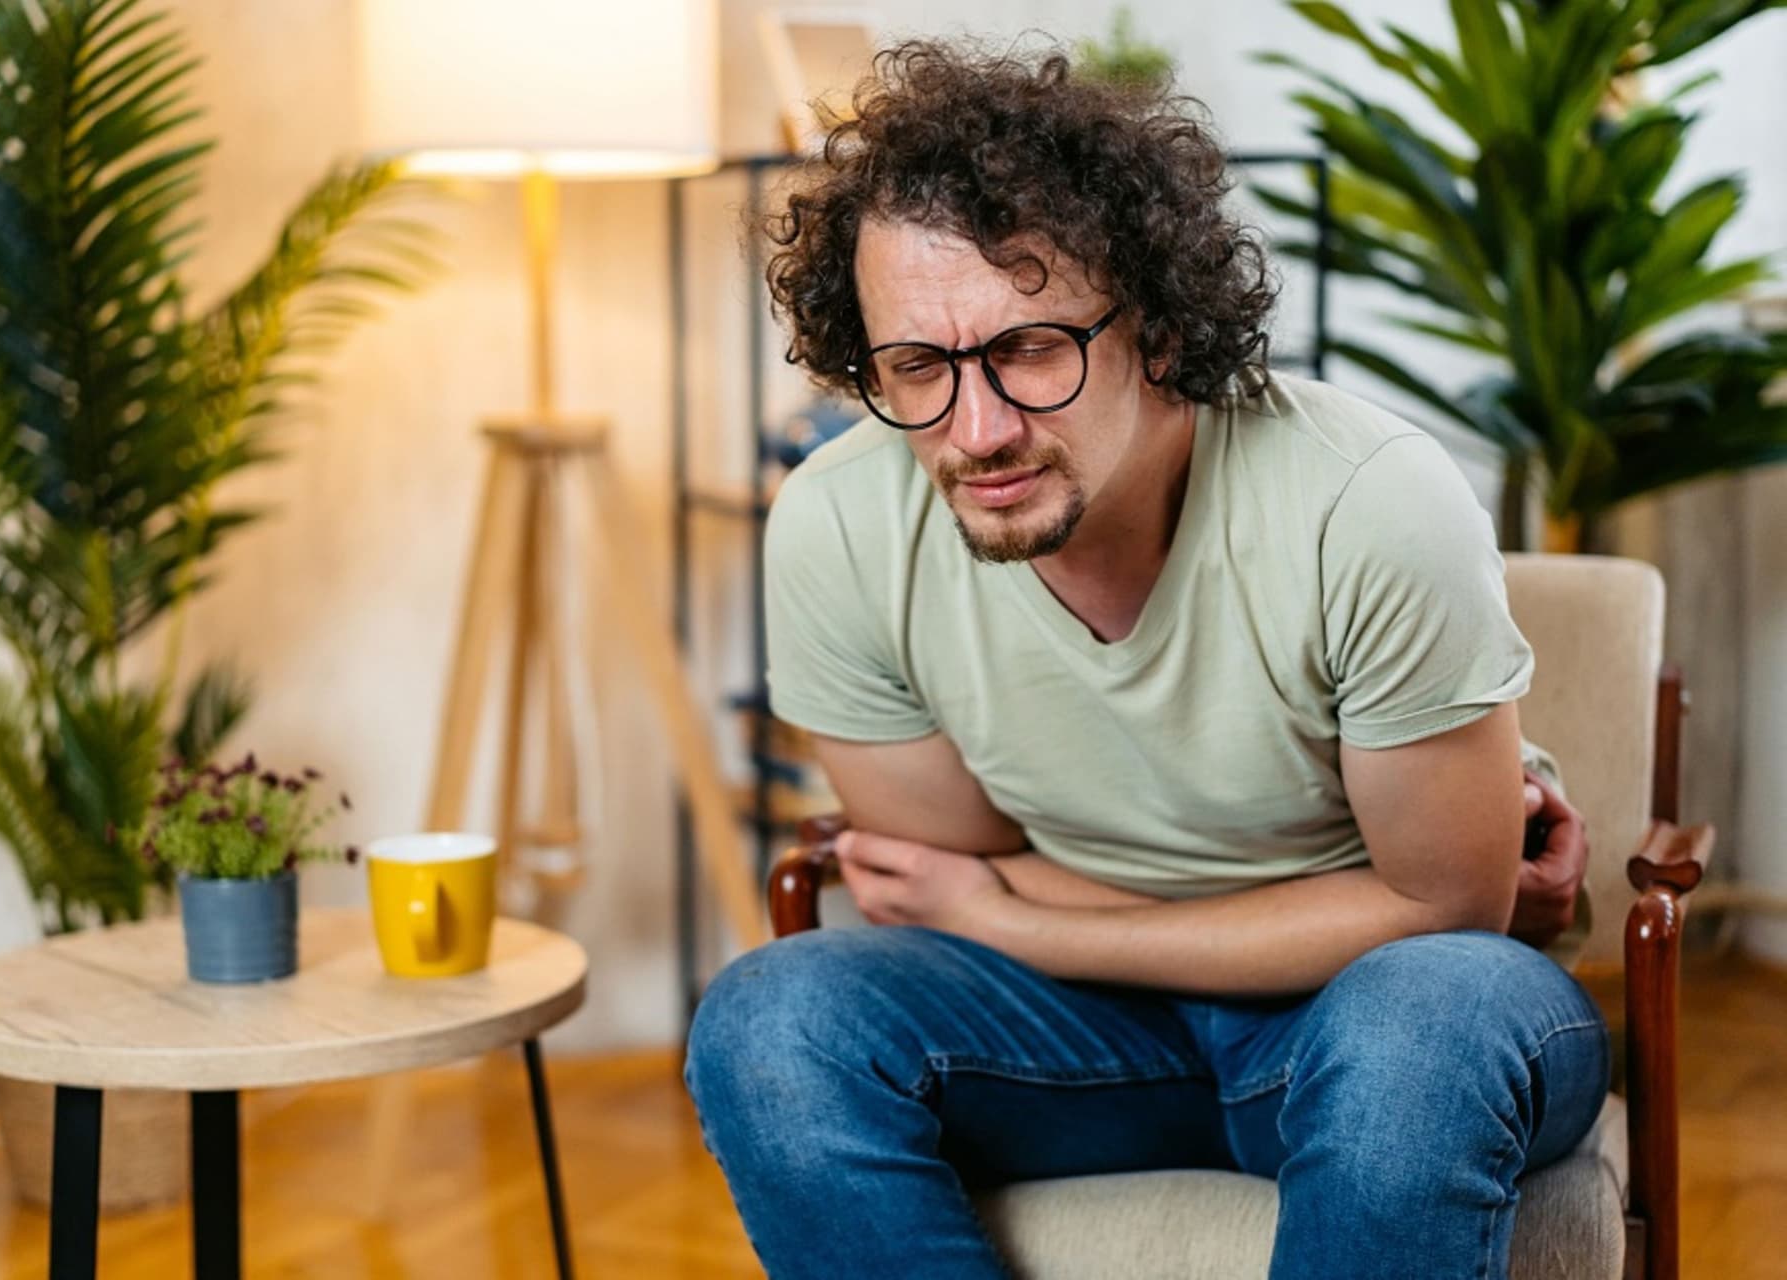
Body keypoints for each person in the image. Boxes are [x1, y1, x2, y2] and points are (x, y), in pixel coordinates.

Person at [684, 41, 1599, 1280]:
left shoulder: (1368, 499)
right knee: (769, 1016)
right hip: (1072, 1041)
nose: (975, 430)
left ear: (1159, 328)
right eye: (916, 367)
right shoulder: (836, 524)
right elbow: (945, 870)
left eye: (1029, 348)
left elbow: (1442, 911)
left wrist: (1015, 917)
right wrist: (1338, 898)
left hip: (1373, 1017)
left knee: (1429, 1008)